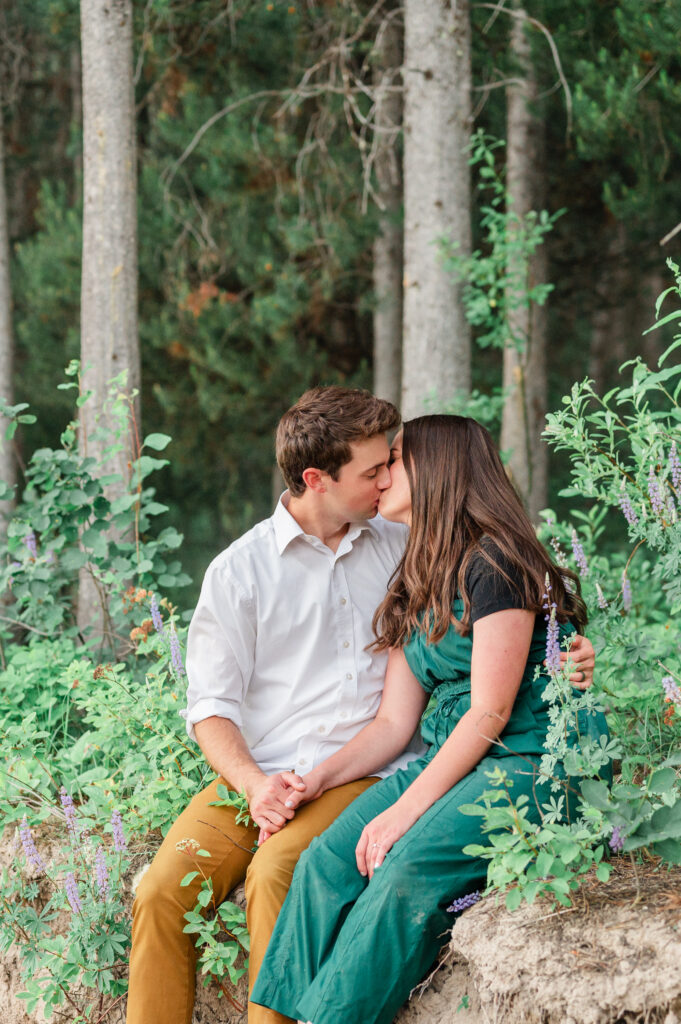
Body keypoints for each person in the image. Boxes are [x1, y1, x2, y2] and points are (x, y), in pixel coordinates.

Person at [126, 392, 595, 1024]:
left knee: (279, 873)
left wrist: (562, 653)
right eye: (375, 469)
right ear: (317, 479)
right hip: (266, 772)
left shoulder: (404, 544)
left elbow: (496, 655)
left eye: (392, 464)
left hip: (377, 763)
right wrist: (260, 785)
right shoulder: (243, 571)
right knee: (161, 892)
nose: (384, 480)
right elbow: (211, 706)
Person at [251, 414, 609, 1024]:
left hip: (529, 762)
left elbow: (491, 712)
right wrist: (319, 778)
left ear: (438, 468)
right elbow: (394, 724)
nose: (382, 474)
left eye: (395, 459)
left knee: (403, 871)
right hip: (460, 761)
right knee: (322, 861)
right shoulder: (418, 572)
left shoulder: (498, 562)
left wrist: (400, 813)